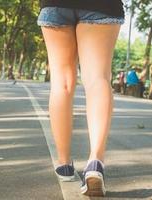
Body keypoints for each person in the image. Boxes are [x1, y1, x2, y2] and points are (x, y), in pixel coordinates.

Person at [38, 0, 124, 197]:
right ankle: (95, 162)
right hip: (103, 6)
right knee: (97, 78)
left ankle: (64, 164)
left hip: (55, 4)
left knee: (62, 84)